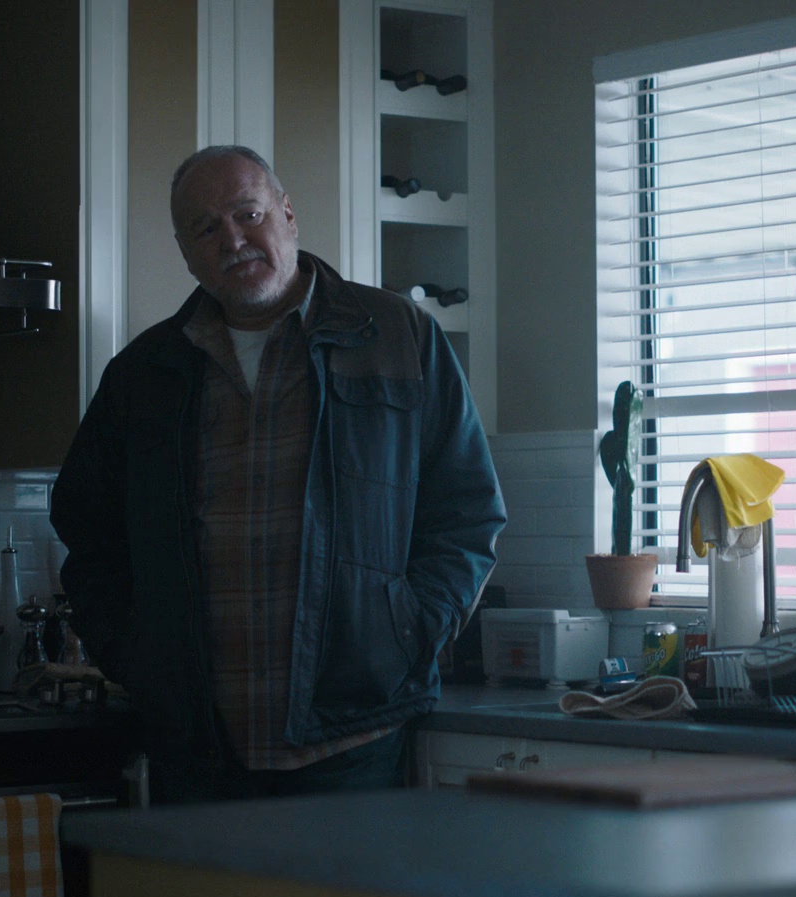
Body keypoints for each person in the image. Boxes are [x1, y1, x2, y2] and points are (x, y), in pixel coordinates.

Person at [51, 145, 504, 804]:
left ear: (288, 214)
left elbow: (467, 513)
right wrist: (138, 657)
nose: (233, 240)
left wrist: (409, 632)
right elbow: (88, 533)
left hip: (353, 739)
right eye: (206, 228)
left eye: (248, 214)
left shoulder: (398, 337)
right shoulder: (143, 374)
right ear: (186, 253)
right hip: (197, 747)